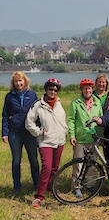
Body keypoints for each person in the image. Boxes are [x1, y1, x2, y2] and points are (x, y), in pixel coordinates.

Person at [25, 78, 68, 209]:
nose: (53, 92)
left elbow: (62, 120)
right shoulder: (38, 105)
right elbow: (29, 122)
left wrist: (65, 130)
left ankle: (51, 189)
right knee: (47, 167)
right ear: (46, 89)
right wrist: (38, 132)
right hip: (46, 141)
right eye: (51, 89)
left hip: (60, 140)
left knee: (55, 168)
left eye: (56, 90)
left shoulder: (59, 103)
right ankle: (39, 196)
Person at [1, 71, 39, 196]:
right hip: (15, 133)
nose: (18, 83)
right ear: (13, 83)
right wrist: (4, 133)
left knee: (33, 159)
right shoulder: (9, 96)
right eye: (16, 81)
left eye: (20, 81)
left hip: (30, 133)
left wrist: (39, 130)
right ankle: (17, 186)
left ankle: (36, 184)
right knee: (16, 160)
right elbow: (5, 116)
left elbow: (39, 114)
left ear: (25, 81)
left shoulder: (32, 95)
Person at [68, 78, 103, 198]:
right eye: (85, 88)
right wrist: (72, 135)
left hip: (93, 138)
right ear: (81, 90)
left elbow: (101, 120)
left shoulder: (97, 103)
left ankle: (90, 184)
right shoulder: (76, 103)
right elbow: (71, 120)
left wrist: (101, 136)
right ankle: (76, 186)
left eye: (89, 88)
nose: (87, 90)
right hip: (80, 138)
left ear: (92, 89)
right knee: (78, 164)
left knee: (93, 163)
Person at [93, 73, 109, 161]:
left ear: (106, 84)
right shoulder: (91, 95)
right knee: (93, 152)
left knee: (108, 152)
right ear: (96, 83)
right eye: (99, 82)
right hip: (94, 127)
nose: (101, 84)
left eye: (103, 82)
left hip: (107, 128)